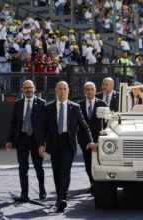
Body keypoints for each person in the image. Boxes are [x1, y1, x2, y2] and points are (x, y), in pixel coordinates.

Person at [37, 81, 96, 212]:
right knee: (56, 171)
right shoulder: (48, 107)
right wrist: (41, 144)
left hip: (68, 142)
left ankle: (63, 197)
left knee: (64, 170)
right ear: (56, 91)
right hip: (53, 142)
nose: (62, 91)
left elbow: (84, 126)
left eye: (65, 89)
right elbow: (42, 128)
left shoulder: (74, 107)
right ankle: (59, 195)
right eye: (60, 89)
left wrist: (90, 141)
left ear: (68, 90)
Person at [6, 80, 46, 202]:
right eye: (26, 88)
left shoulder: (42, 103)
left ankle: (42, 189)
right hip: (21, 139)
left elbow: (45, 125)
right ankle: (24, 194)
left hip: (36, 140)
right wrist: (9, 140)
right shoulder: (17, 104)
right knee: (23, 167)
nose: (28, 89)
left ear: (34, 88)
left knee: (38, 166)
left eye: (30, 87)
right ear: (22, 90)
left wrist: (42, 143)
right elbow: (13, 123)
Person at [77, 82, 107, 192]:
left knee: (98, 162)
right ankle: (92, 183)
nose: (90, 91)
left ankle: (98, 184)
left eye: (92, 89)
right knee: (88, 162)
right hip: (84, 138)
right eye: (87, 89)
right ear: (84, 91)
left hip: (99, 138)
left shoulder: (102, 103)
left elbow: (107, 121)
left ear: (95, 90)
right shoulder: (79, 105)